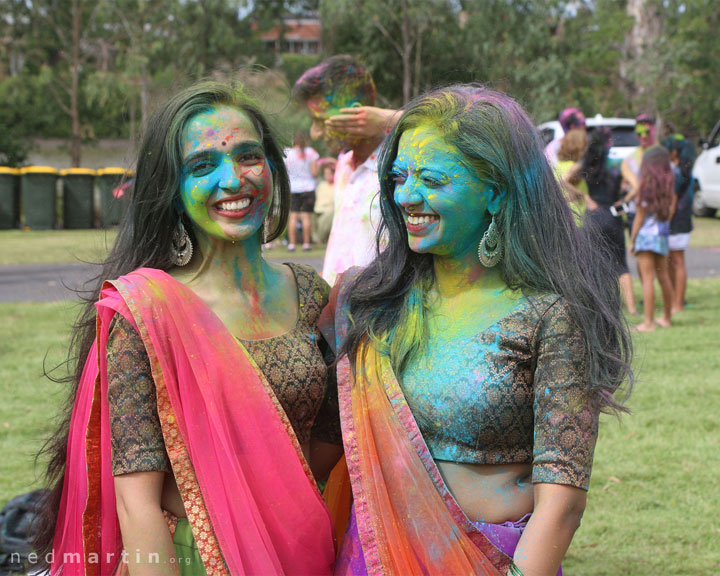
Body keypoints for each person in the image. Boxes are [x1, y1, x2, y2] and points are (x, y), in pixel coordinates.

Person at [321, 85, 633, 575]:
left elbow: (562, 502)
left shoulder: (548, 314)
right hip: (372, 553)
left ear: (495, 191)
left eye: (433, 179)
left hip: (487, 558)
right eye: (399, 176)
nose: (407, 196)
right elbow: (323, 446)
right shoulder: (374, 302)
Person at [35, 82, 343, 575]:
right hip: (195, 558)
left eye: (248, 157)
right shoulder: (148, 313)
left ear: (273, 166)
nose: (233, 180)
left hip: (300, 550)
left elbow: (329, 440)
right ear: (172, 191)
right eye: (203, 167)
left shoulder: (311, 294)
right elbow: (137, 503)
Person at [293, 54, 389, 284]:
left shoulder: (399, 167)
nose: (315, 133)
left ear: (356, 114)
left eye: (320, 120)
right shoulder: (344, 165)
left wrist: (390, 118)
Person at [565, 128, 638, 315]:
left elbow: (563, 179)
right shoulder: (617, 164)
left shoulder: (587, 163)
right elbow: (637, 186)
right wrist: (624, 201)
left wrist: (584, 196)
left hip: (593, 216)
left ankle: (598, 307)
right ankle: (632, 309)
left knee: (594, 264)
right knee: (621, 265)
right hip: (612, 215)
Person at [630, 146, 677, 332]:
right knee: (664, 277)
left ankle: (648, 322)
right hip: (662, 237)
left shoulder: (646, 187)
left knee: (648, 279)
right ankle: (667, 318)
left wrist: (633, 239)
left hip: (645, 238)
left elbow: (639, 217)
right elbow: (670, 213)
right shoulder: (669, 188)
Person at [663, 135, 696, 313]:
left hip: (676, 220)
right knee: (672, 259)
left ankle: (678, 303)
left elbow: (673, 202)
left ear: (674, 152)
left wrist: (665, 221)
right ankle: (675, 298)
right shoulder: (683, 169)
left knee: (676, 260)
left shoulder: (679, 172)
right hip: (683, 220)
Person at [285, 130, 319, 251]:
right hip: (308, 188)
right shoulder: (311, 153)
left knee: (293, 216)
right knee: (306, 217)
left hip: (293, 188)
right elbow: (315, 173)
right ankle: (306, 244)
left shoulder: (288, 153)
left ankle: (292, 244)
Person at [622, 114, 656, 233]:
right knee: (636, 249)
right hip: (635, 211)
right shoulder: (629, 158)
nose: (643, 136)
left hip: (655, 213)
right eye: (639, 132)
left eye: (647, 131)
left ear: (653, 130)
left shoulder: (661, 154)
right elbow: (630, 184)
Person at [555, 128, 591, 224]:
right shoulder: (575, 167)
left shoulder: (557, 166)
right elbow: (562, 181)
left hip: (563, 218)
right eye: (586, 144)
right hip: (577, 219)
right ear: (580, 146)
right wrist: (582, 194)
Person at [312, 158, 336, 244]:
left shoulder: (337, 185)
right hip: (317, 209)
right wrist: (320, 162)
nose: (327, 175)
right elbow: (315, 174)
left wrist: (331, 161)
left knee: (327, 217)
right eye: (325, 174)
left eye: (329, 174)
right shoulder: (321, 184)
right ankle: (315, 239)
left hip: (329, 210)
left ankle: (320, 239)